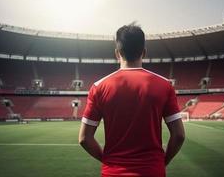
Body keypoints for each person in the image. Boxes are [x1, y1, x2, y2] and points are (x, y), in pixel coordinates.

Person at [78, 23, 185, 177]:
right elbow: (179, 135)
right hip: (153, 171)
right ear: (144, 52)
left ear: (117, 53)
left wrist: (108, 161)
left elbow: (84, 138)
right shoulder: (164, 85)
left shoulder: (99, 87)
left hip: (112, 172)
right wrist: (162, 162)